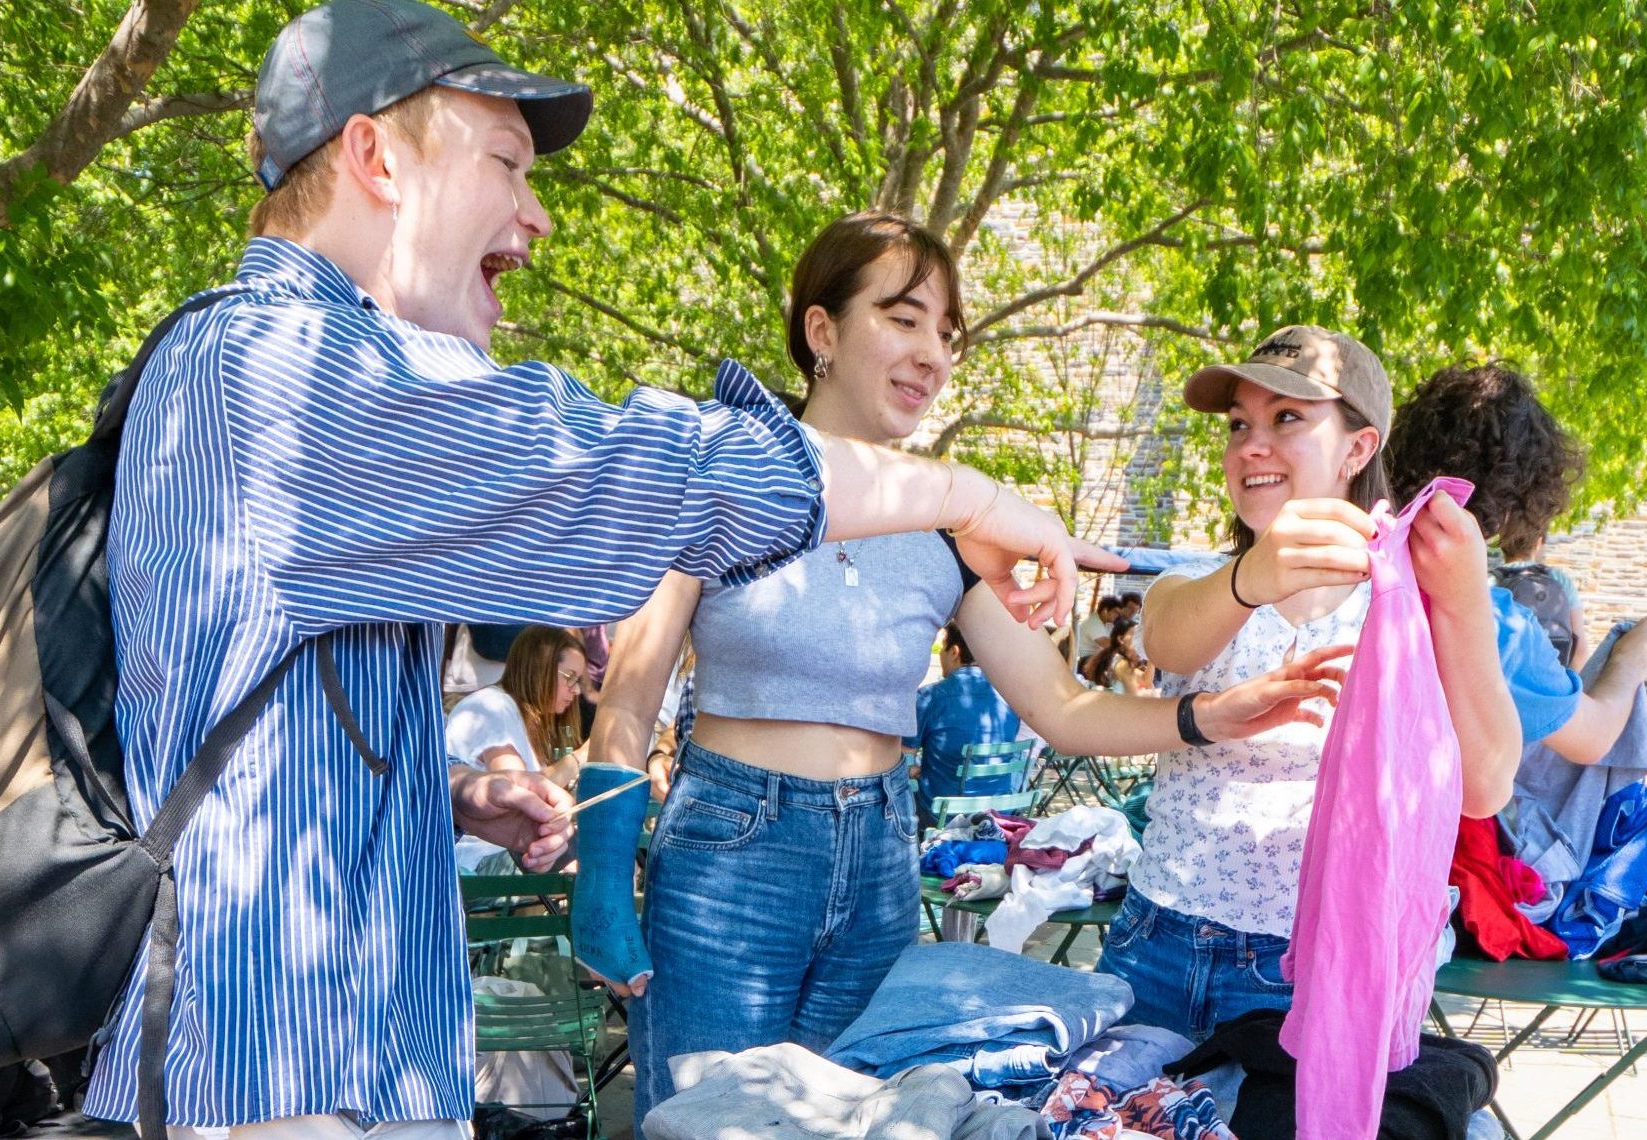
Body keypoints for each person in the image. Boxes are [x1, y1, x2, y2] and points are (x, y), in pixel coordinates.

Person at [87, 2, 1116, 1135]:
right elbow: (633, 477)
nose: (535, 219)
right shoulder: (277, 363)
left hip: (353, 1062)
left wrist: (452, 797)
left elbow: (256, 746)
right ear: (375, 155)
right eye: (508, 165)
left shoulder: (306, 380)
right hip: (268, 1082)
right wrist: (969, 495)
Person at [587, 215, 1353, 1132]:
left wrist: (1208, 716)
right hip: (731, 851)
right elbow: (630, 691)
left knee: (860, 1119)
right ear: (821, 332)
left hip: (878, 854)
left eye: (946, 334)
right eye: (903, 318)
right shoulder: (728, 468)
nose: (932, 355)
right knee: (702, 1123)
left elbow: (1063, 708)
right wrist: (599, 873)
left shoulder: (949, 523)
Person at [1095, 325, 1523, 1041]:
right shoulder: (1198, 583)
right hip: (1153, 937)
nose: (1249, 445)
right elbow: (1168, 637)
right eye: (1238, 425)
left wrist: (1464, 599)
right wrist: (1251, 577)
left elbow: (1484, 785)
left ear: (1358, 449)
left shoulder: (1408, 607)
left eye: (1286, 418)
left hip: (1309, 963)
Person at [1385, 362, 1647, 763]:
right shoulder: (1497, 627)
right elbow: (1591, 737)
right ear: (1518, 499)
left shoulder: (1358, 561)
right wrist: (1631, 662)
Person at [449, 626, 590, 874]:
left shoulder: (521, 716)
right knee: (594, 869)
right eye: (570, 677)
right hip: (474, 861)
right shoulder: (492, 705)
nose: (576, 690)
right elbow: (521, 798)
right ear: (539, 669)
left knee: (600, 862)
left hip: (504, 854)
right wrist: (581, 757)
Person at [904, 623, 1024, 824]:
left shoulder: (929, 697)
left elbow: (905, 759)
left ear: (954, 651)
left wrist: (917, 770)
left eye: (942, 648)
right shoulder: (1010, 696)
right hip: (999, 813)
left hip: (942, 814)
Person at [1082, 616, 1151, 695]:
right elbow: (1135, 696)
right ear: (1121, 639)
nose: (1138, 640)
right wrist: (1152, 652)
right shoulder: (1121, 663)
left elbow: (1146, 680)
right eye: (1135, 636)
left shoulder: (1113, 657)